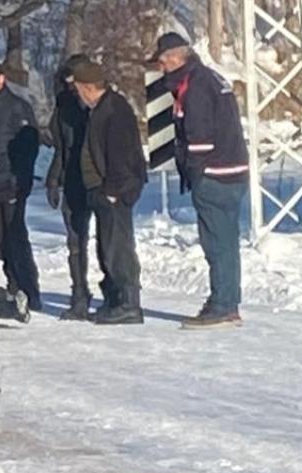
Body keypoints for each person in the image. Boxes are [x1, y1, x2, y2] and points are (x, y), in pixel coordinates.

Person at [150, 32, 249, 329]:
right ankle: (227, 300)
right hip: (232, 170)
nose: (161, 68)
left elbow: (200, 137)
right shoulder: (209, 78)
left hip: (215, 174)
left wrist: (196, 170)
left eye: (163, 61)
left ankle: (222, 304)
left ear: (175, 58)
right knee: (227, 240)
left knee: (216, 242)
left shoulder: (194, 87)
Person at [70, 61, 148, 325]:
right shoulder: (99, 109)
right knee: (107, 245)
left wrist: (114, 189)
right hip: (101, 188)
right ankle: (114, 297)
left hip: (115, 188)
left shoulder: (114, 110)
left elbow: (121, 154)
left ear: (88, 87)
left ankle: (128, 303)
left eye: (79, 88)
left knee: (118, 246)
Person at [0, 58, 41, 312]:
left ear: (1, 79)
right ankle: (12, 284)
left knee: (16, 238)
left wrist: (18, 180)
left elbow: (28, 148)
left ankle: (27, 289)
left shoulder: (17, 108)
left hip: (10, 183)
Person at [45, 53, 102, 320]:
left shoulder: (99, 105)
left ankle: (113, 291)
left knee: (106, 240)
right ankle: (79, 293)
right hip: (72, 179)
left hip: (97, 179)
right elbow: (62, 148)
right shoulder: (64, 105)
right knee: (75, 242)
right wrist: (53, 178)